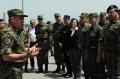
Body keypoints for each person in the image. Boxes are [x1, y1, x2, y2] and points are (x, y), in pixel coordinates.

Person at [0, 9, 40, 79]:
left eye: (23, 18)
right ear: (12, 19)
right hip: (9, 72)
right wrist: (26, 55)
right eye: (20, 18)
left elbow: (16, 48)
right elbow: (6, 56)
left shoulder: (15, 32)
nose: (23, 20)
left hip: (16, 70)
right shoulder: (7, 34)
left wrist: (28, 49)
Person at [85, 13, 106, 79]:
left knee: (99, 73)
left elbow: (100, 43)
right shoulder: (90, 29)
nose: (90, 20)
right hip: (90, 54)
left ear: (96, 18)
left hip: (96, 53)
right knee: (91, 72)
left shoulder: (100, 29)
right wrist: (86, 54)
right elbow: (88, 43)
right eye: (89, 18)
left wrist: (98, 56)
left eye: (92, 18)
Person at [103, 5, 120, 79]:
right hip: (108, 55)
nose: (109, 14)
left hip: (117, 56)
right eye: (108, 13)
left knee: (117, 75)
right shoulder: (107, 26)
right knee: (109, 74)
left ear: (117, 12)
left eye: (111, 12)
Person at [79, 13, 91, 79]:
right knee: (84, 66)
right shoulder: (81, 26)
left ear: (86, 18)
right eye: (80, 18)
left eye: (82, 18)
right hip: (82, 48)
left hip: (87, 49)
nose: (80, 19)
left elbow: (89, 39)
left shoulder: (88, 26)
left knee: (87, 65)